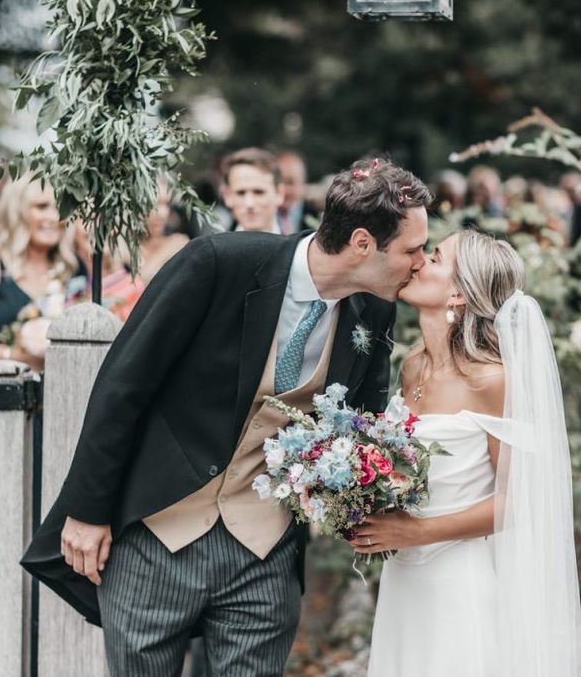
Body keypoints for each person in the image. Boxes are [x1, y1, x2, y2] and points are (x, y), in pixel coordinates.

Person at [22, 158, 431, 676]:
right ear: (362, 244)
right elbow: (125, 385)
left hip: (265, 550)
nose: (419, 263)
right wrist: (87, 509)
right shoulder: (218, 262)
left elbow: (362, 420)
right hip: (157, 530)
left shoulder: (373, 310)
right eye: (411, 250)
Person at [352, 230, 581, 676]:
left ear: (458, 292)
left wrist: (417, 531)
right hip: (405, 576)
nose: (418, 261)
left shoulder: (491, 381)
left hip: (459, 579)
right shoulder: (412, 366)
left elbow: (518, 501)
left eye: (435, 256)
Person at [0, 173, 82, 370]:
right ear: (18, 210)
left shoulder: (74, 268)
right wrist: (15, 356)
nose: (54, 217)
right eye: (41, 207)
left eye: (60, 208)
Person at [138, 179, 189, 283]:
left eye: (166, 204)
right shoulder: (120, 248)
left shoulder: (178, 245)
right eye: (154, 204)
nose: (162, 214)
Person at [222, 147, 283, 234]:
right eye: (241, 193)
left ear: (279, 194)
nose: (249, 203)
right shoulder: (214, 247)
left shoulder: (301, 247)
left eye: (258, 192)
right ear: (227, 195)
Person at [276, 151, 318, 234]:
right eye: (279, 182)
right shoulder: (260, 215)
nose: (284, 189)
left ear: (303, 183)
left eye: (291, 183)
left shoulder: (317, 216)